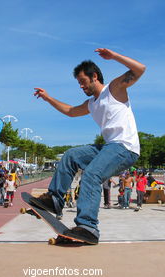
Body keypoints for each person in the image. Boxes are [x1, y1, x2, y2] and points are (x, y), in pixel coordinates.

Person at [31, 48, 145, 244]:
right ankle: (55, 199)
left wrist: (114, 57)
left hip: (125, 148)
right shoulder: (92, 103)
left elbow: (140, 69)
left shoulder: (114, 88)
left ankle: (88, 227)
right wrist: (48, 98)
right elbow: (70, 111)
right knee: (71, 155)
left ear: (94, 76)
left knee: (92, 174)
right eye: (79, 84)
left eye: (83, 82)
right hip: (109, 148)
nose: (81, 87)